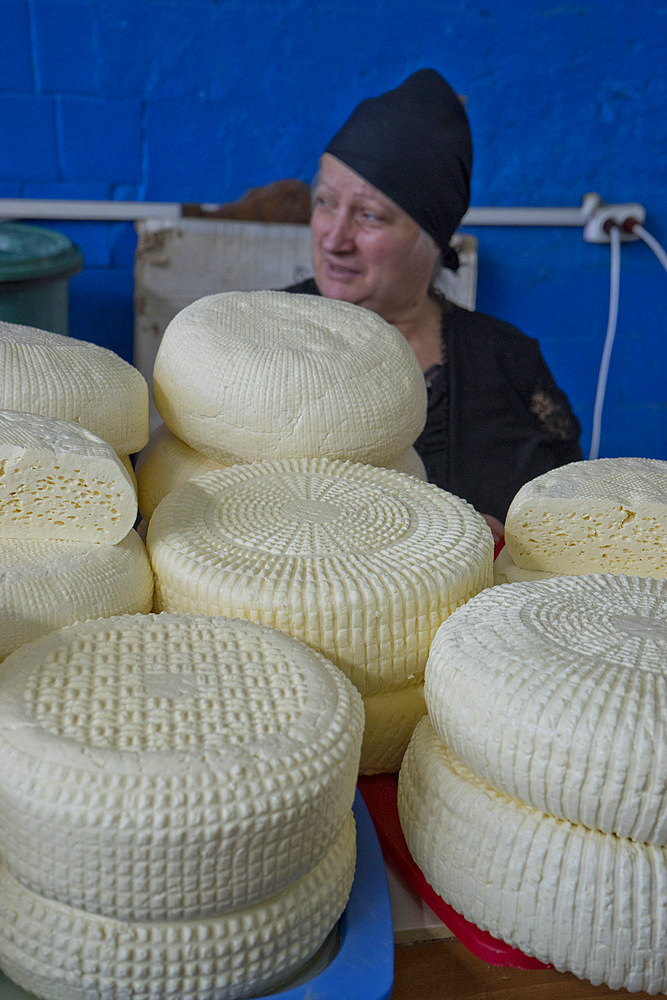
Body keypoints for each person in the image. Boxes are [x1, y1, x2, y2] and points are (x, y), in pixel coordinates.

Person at [284, 68, 583, 541]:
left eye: (369, 216)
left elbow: (570, 531)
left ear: (432, 238)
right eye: (324, 202)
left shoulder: (508, 361)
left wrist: (514, 544)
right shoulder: (261, 340)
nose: (334, 238)